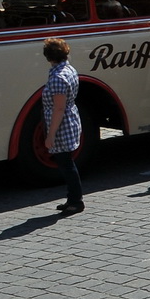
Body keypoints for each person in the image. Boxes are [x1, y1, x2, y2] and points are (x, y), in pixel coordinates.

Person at [41, 38, 84, 216]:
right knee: (66, 162)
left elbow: (59, 108)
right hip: (69, 119)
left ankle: (76, 201)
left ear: (49, 57)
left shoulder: (58, 77)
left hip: (62, 125)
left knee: (66, 164)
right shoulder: (68, 69)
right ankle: (72, 199)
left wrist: (50, 135)